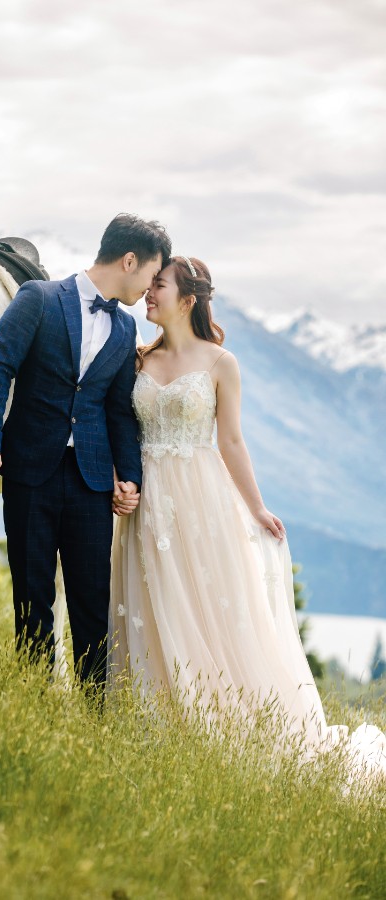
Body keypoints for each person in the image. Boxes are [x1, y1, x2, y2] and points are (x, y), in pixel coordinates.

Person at [108, 255, 386, 781]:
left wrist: (257, 507)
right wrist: (122, 483)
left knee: (208, 610)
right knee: (152, 607)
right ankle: (157, 730)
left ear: (187, 300)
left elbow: (231, 441)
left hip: (201, 501)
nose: (148, 292)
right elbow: (121, 430)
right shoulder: (137, 360)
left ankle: (224, 729)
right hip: (147, 505)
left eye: (158, 286)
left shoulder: (220, 363)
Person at [0, 213, 171, 688]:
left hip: (91, 480)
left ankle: (94, 712)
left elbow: (119, 411)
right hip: (29, 473)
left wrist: (130, 476)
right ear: (129, 260)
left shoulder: (125, 330)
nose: (149, 287)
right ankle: (36, 701)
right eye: (150, 273)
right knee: (32, 596)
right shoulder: (37, 299)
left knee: (90, 599)